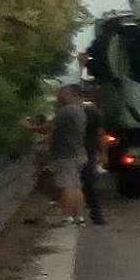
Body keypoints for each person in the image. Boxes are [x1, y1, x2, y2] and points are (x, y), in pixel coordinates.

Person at [47, 80, 106, 226]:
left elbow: (49, 128)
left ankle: (68, 216)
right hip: (83, 153)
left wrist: (29, 127)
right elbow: (100, 133)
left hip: (67, 154)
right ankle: (82, 216)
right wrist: (103, 152)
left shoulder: (66, 111)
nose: (59, 95)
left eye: (62, 93)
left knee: (67, 186)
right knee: (79, 185)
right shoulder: (86, 111)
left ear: (72, 94)